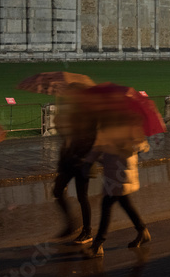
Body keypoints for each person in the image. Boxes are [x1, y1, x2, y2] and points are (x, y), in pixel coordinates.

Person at [83, 135, 150, 258]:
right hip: (112, 170)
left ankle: (98, 244)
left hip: (122, 171)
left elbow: (143, 146)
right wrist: (89, 160)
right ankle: (142, 231)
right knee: (124, 202)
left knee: (107, 204)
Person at [53, 108, 97, 244]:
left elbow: (91, 140)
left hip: (82, 163)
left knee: (82, 197)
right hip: (69, 161)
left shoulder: (90, 117)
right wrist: (59, 122)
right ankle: (72, 223)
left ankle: (87, 231)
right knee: (57, 191)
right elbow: (66, 134)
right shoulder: (74, 113)